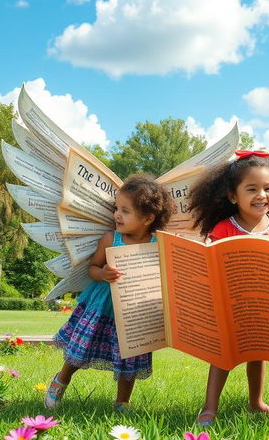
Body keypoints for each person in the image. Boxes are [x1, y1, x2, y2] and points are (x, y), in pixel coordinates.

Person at [187, 150, 269, 426]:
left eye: (268, 188)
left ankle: (256, 401)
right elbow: (212, 263)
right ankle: (209, 407)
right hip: (231, 305)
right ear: (232, 196)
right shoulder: (224, 228)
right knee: (222, 355)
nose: (261, 195)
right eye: (252, 189)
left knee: (258, 353)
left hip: (266, 304)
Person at [45, 174, 173, 411]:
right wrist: (102, 273)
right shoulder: (111, 239)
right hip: (102, 305)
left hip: (135, 312)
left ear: (147, 218)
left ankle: (122, 401)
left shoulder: (157, 245)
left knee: (130, 355)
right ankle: (61, 380)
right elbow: (93, 268)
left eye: (125, 211)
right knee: (80, 348)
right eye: (117, 208)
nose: (117, 214)